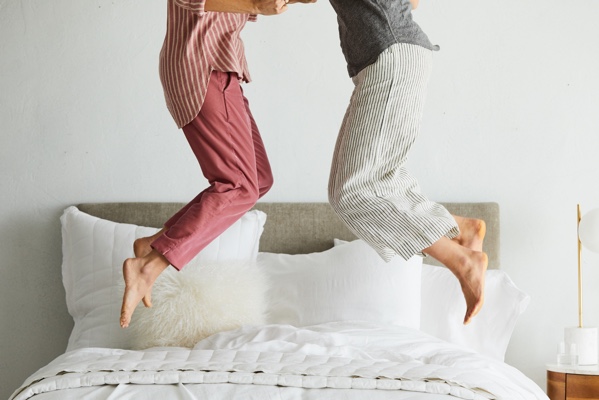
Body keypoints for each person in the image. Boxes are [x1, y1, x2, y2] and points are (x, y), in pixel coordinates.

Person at [120, 0, 316, 329]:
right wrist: (259, 5)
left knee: (258, 179)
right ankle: (149, 265)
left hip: (220, 68)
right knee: (238, 185)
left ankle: (157, 242)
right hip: (203, 66)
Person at [327, 0, 487, 325]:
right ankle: (460, 229)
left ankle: (462, 260)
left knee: (353, 192)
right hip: (393, 55)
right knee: (365, 185)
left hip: (390, 55)